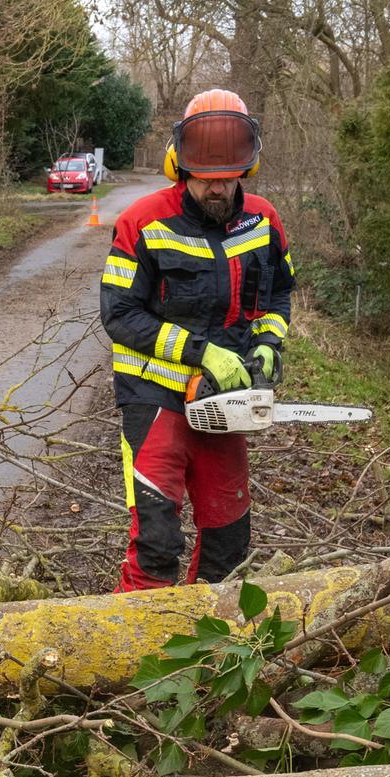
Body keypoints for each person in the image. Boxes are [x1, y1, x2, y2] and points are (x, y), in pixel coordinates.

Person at [99, 90, 295, 591]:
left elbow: (278, 299)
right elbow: (119, 315)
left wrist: (269, 344)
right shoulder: (142, 223)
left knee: (229, 541)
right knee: (157, 543)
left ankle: (204, 648)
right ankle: (132, 649)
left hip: (224, 401)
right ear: (182, 168)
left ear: (244, 170)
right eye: (205, 179)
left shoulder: (264, 221)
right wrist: (200, 351)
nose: (216, 189)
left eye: (226, 178)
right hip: (155, 398)